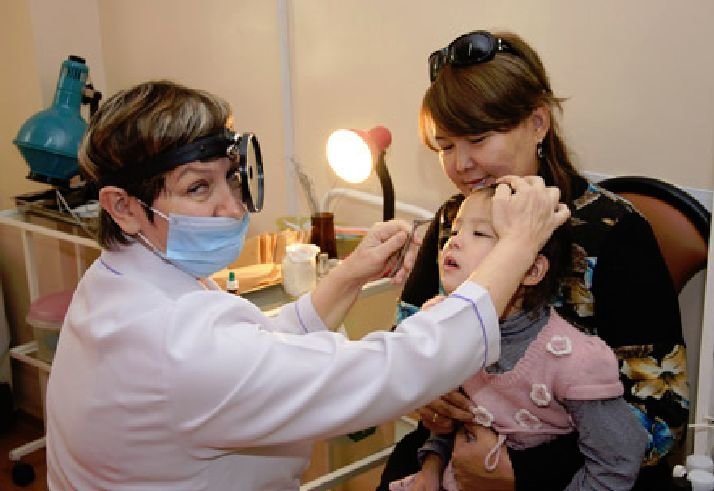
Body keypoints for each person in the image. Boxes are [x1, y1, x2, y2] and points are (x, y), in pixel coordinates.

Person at [43, 80, 569, 490]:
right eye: (199, 187)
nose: (233, 207)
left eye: (231, 177)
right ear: (123, 206)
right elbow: (388, 371)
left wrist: (349, 275)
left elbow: (259, 348)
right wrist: (516, 246)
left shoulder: (118, 279)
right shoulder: (173, 344)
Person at [377, 30, 686, 491]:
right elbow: (406, 342)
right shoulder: (452, 220)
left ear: (538, 123)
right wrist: (427, 395)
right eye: (445, 146)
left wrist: (519, 474)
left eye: (477, 139)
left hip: (577, 462)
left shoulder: (612, 232)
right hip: (456, 444)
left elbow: (661, 415)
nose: (460, 164)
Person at [388, 189, 647, 491]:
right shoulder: (442, 322)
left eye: (480, 233)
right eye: (455, 231)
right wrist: (430, 468)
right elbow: (454, 418)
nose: (453, 241)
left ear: (532, 270)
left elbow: (617, 461)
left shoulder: (575, 362)